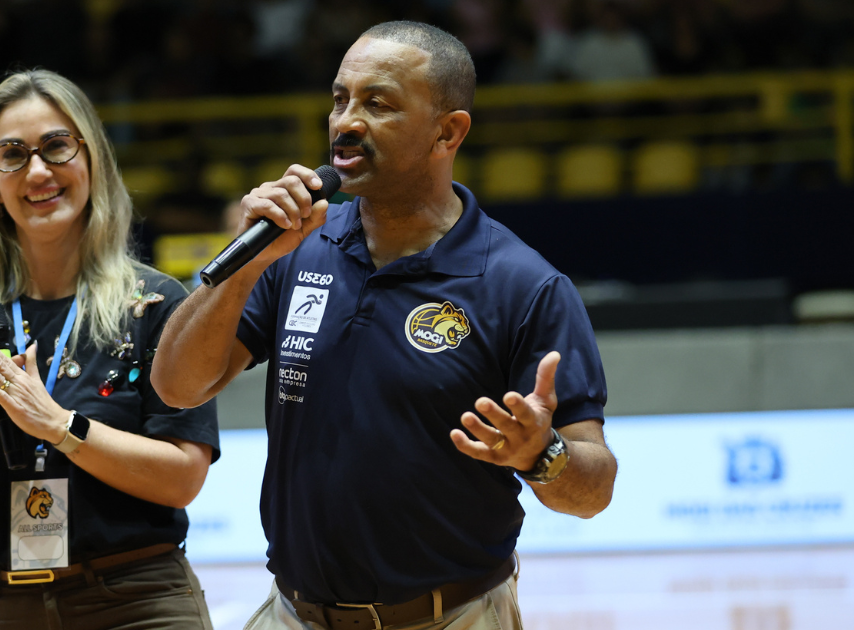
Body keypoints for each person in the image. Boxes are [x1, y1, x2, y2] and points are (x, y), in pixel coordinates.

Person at [152, 21, 617, 630]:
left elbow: (595, 490)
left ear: (448, 132)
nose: (346, 122)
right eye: (339, 99)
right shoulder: (294, 246)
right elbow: (177, 387)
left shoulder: (524, 285)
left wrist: (541, 453)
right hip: (294, 612)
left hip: (452, 618)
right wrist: (247, 261)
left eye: (378, 104)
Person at [0, 69, 220, 629]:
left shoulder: (156, 305)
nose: (37, 171)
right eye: (12, 154)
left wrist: (59, 426)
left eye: (56, 146)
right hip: (0, 609)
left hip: (137, 602)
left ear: (92, 159)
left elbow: (183, 479)